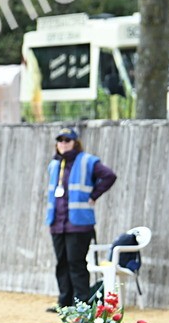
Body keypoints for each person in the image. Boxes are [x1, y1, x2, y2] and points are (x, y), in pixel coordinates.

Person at [45, 126, 117, 311]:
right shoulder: (54, 164)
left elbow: (109, 176)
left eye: (67, 140)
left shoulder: (87, 161)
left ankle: (81, 304)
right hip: (57, 223)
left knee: (76, 264)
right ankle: (64, 303)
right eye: (60, 140)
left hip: (78, 223)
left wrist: (93, 195)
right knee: (61, 264)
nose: (63, 143)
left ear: (75, 143)